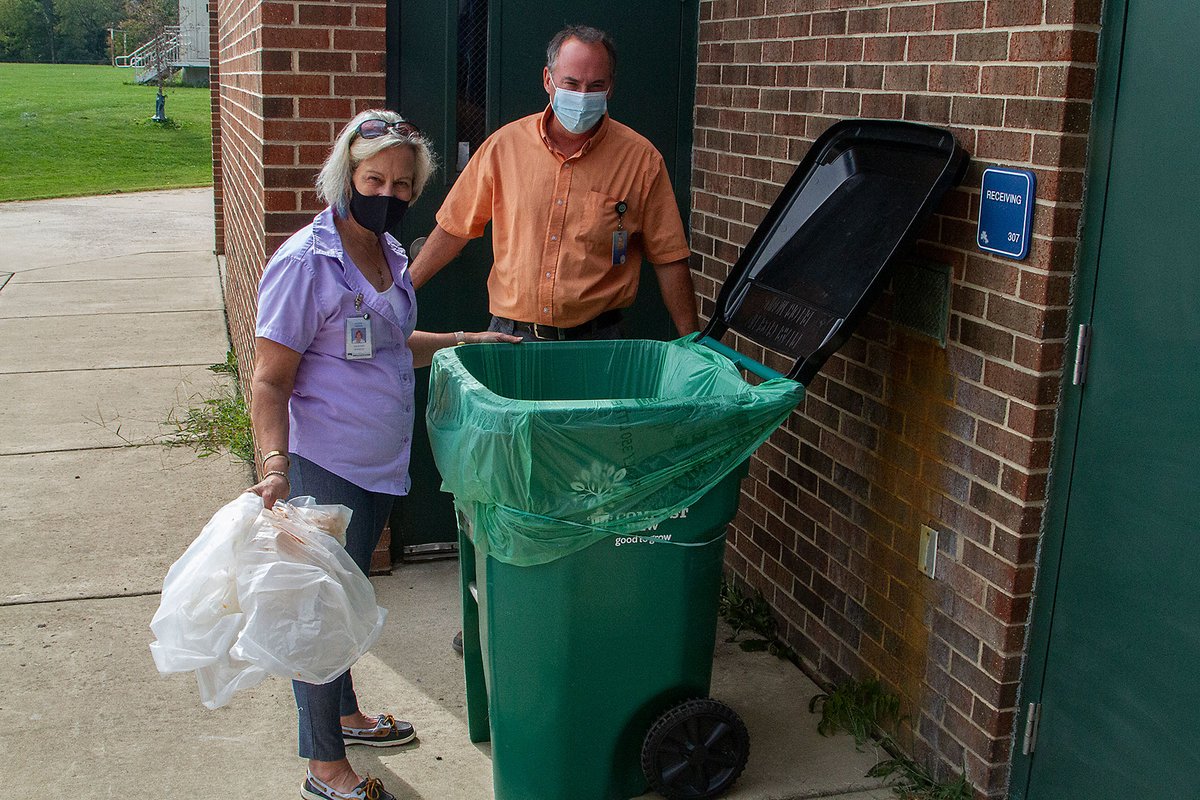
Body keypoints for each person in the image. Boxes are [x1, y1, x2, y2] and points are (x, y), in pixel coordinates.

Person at [246, 109, 519, 800]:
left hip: (375, 466)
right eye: (376, 179)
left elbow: (392, 343)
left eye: (403, 185)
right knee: (318, 614)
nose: (389, 194)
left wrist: (465, 341)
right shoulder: (306, 264)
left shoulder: (388, 253)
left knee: (339, 601)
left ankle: (345, 716)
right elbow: (270, 380)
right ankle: (325, 768)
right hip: (322, 465)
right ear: (346, 174)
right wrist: (274, 467)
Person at [409, 24, 700, 341]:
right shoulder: (503, 147)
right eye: (571, 83)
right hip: (513, 339)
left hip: (598, 343)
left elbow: (669, 258)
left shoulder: (641, 161)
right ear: (548, 80)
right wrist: (402, 292)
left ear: (611, 87)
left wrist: (692, 343)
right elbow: (454, 229)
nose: (582, 96)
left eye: (595, 86)